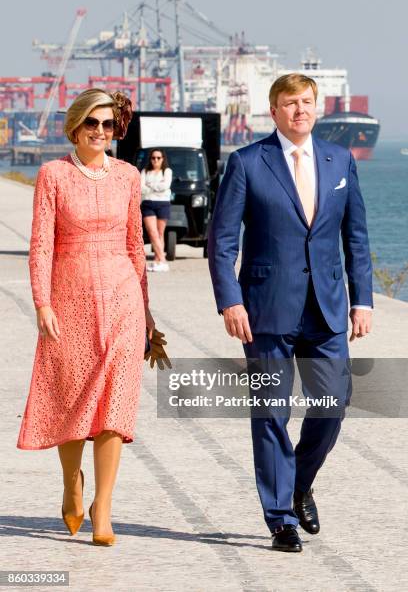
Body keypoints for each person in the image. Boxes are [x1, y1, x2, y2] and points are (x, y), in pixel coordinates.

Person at [208, 74, 373, 553]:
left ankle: (299, 483)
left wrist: (362, 300)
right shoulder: (246, 163)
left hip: (326, 311)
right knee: (270, 413)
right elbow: (222, 242)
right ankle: (281, 519)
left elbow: (356, 238)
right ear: (274, 111)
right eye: (289, 103)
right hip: (264, 310)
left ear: (316, 108)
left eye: (306, 102)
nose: (299, 110)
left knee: (333, 405)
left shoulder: (339, 160)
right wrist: (230, 299)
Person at [17, 88, 155, 547]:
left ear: (116, 130)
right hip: (68, 299)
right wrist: (42, 303)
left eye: (108, 125)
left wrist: (148, 312)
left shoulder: (130, 176)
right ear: (75, 126)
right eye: (91, 123)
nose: (100, 132)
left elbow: (136, 246)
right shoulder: (53, 174)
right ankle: (72, 485)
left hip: (122, 302)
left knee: (114, 410)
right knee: (73, 401)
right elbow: (40, 245)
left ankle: (105, 509)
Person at [140, 148, 172, 272]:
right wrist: (156, 187)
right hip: (148, 203)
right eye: (153, 158)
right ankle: (163, 260)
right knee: (152, 232)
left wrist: (150, 185)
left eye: (158, 158)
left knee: (159, 233)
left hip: (163, 203)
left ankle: (158, 260)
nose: (155, 160)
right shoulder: (145, 171)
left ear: (163, 159)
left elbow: (166, 186)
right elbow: (141, 188)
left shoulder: (167, 171)